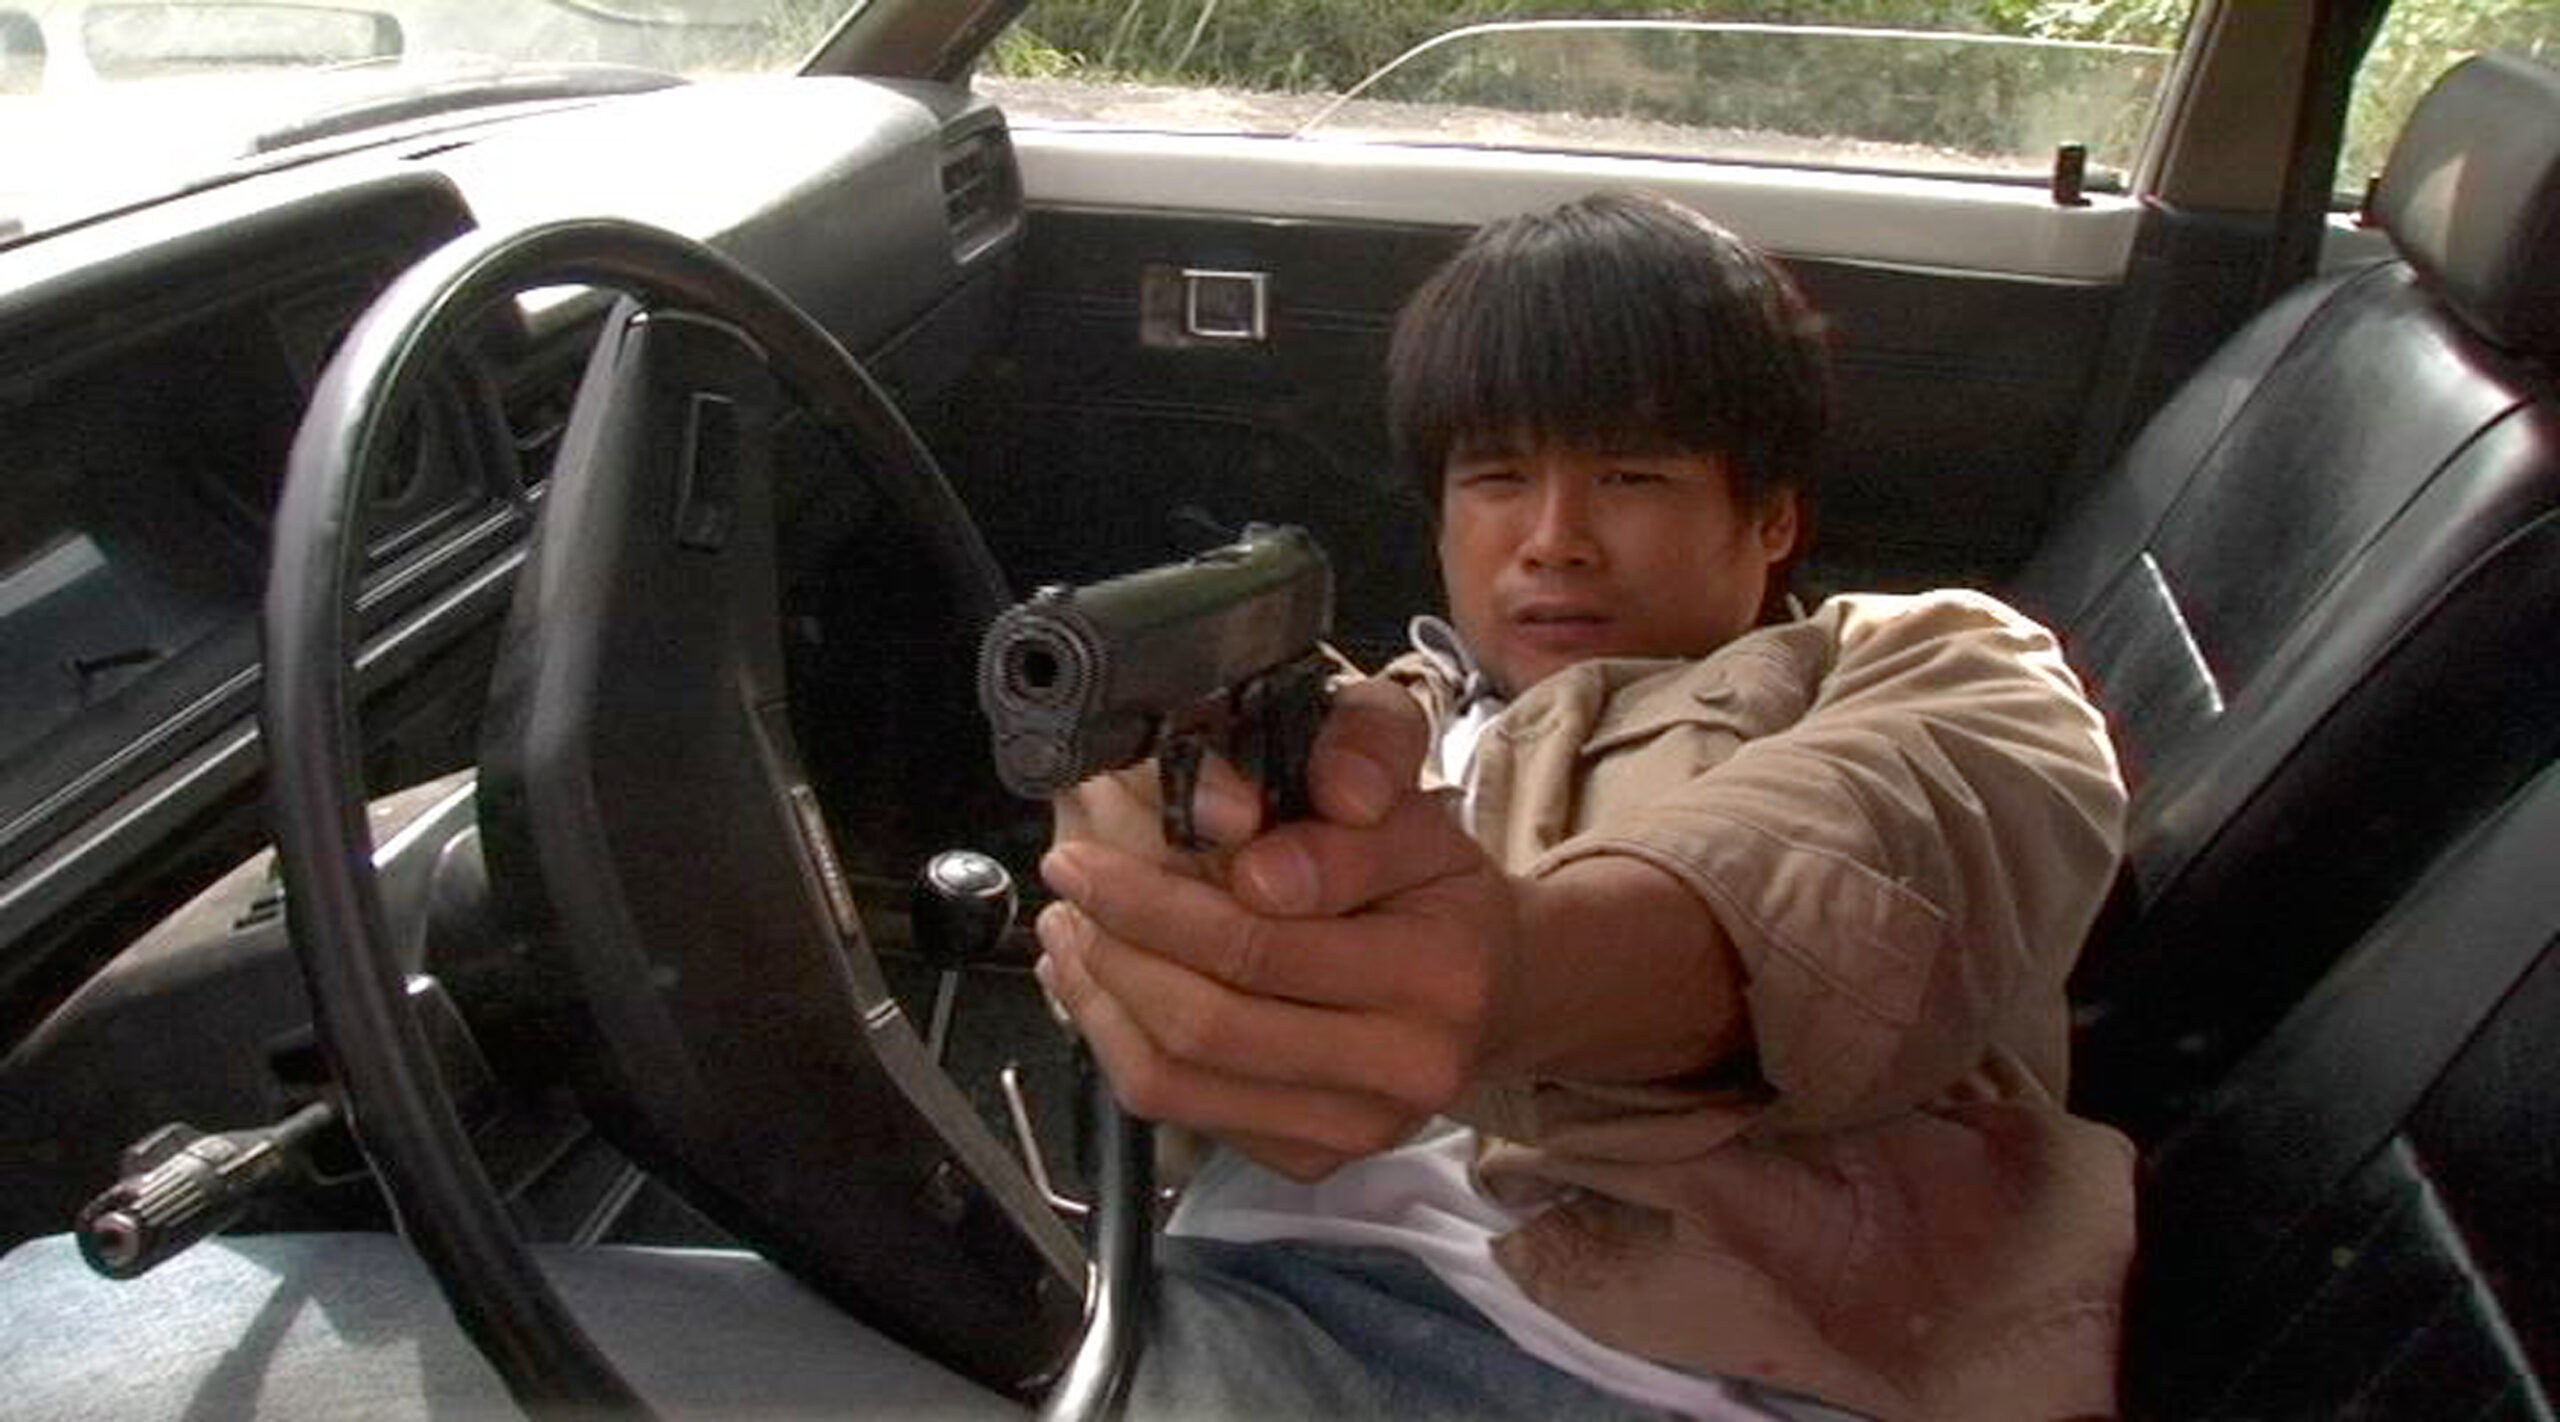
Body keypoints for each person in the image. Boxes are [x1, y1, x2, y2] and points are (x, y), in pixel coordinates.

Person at [1034, 191, 2135, 1422]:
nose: (1554, 538)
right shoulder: (1350, 725)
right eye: (1498, 476)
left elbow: (1875, 846)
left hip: (1702, 1375)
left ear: (1770, 515)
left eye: (1631, 474)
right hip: (1227, 1300)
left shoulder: (1930, 661)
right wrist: (1139, 885)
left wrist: (1515, 975)